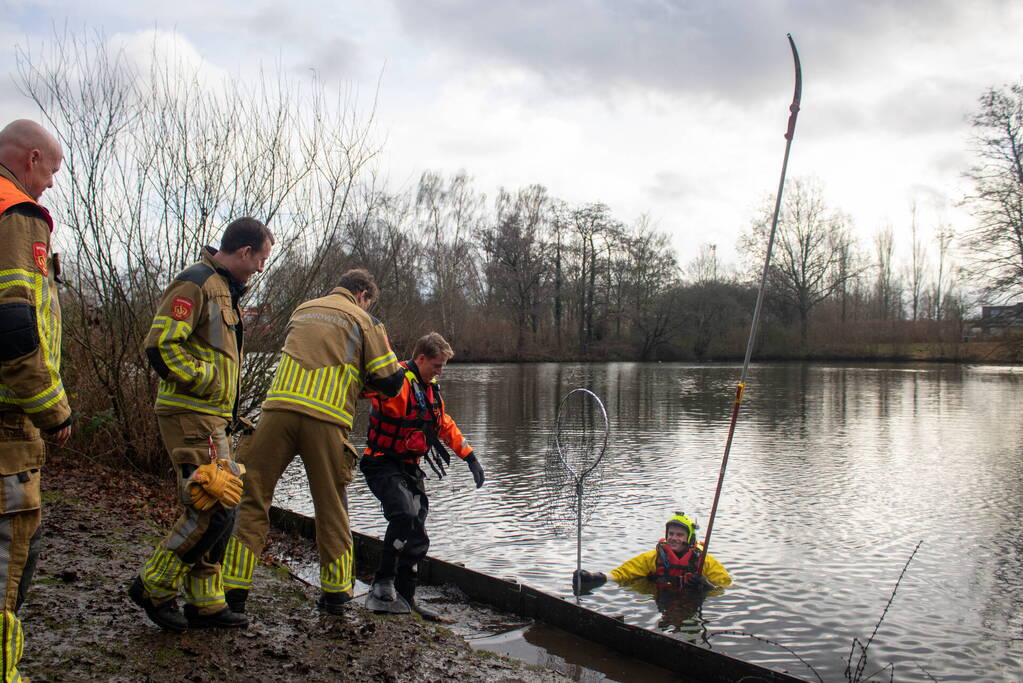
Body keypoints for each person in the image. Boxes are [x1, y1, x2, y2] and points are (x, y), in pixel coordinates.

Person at [222, 269, 404, 615]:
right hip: (326, 418)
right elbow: (391, 381)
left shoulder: (303, 308)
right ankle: (335, 594)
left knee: (253, 499)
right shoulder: (365, 319)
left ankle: (234, 590)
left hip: (276, 411)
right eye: (368, 301)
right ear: (363, 294)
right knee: (331, 507)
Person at [127, 217, 273, 632]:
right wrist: (208, 380)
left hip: (211, 418)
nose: (261, 268)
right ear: (244, 252)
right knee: (210, 507)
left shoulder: (222, 288)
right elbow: (160, 345)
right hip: (191, 415)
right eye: (260, 258)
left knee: (223, 506)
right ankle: (152, 586)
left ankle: (205, 603)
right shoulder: (197, 282)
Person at [0, 119, 71, 682]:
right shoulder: (17, 215)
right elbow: (15, 328)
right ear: (30, 159)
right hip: (7, 422)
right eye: (50, 171)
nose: (49, 185)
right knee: (9, 558)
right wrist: (53, 410)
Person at [361, 332, 485, 621]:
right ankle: (382, 583)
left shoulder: (430, 390)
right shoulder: (397, 381)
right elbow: (358, 388)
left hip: (408, 466)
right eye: (437, 365)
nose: (441, 371)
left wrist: (471, 458)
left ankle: (406, 596)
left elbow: (444, 425)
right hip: (381, 462)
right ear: (421, 358)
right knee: (403, 513)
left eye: (443, 366)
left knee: (417, 528)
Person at [573, 513, 731, 593]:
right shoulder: (654, 557)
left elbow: (726, 585)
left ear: (689, 538)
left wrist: (708, 587)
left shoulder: (705, 561)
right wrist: (597, 577)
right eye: (671, 534)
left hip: (694, 601)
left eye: (679, 535)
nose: (674, 538)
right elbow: (625, 572)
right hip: (663, 599)